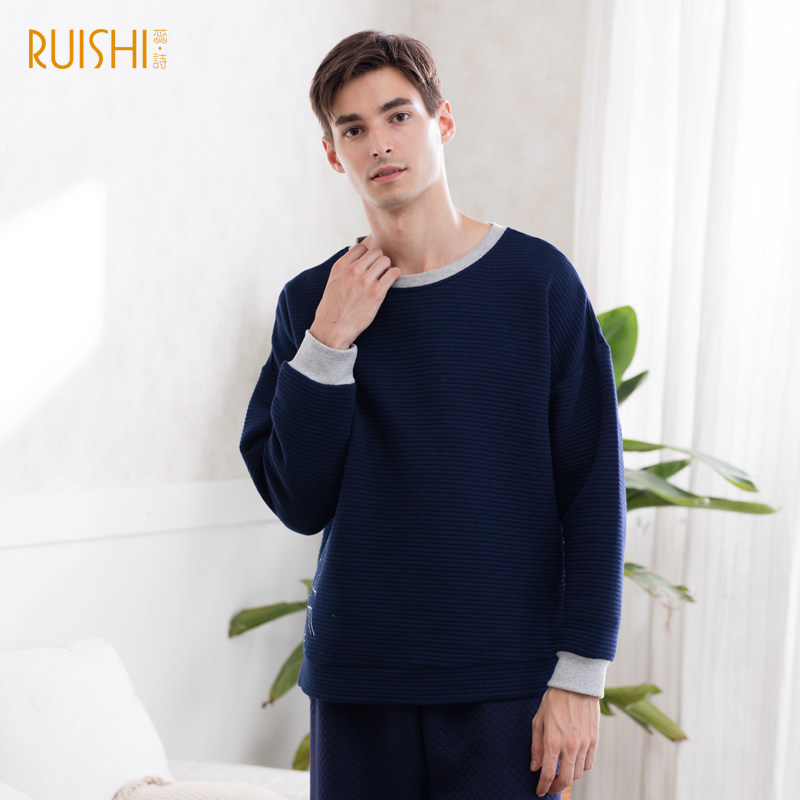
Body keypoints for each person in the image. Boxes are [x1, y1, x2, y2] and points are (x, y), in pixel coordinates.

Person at [240, 30, 625, 799]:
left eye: (398, 116)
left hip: (508, 685)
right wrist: (328, 341)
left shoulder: (538, 283)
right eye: (353, 129)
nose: (379, 143)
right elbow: (299, 500)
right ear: (332, 154)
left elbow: (592, 491)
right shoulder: (310, 302)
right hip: (358, 683)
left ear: (441, 121)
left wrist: (581, 677)